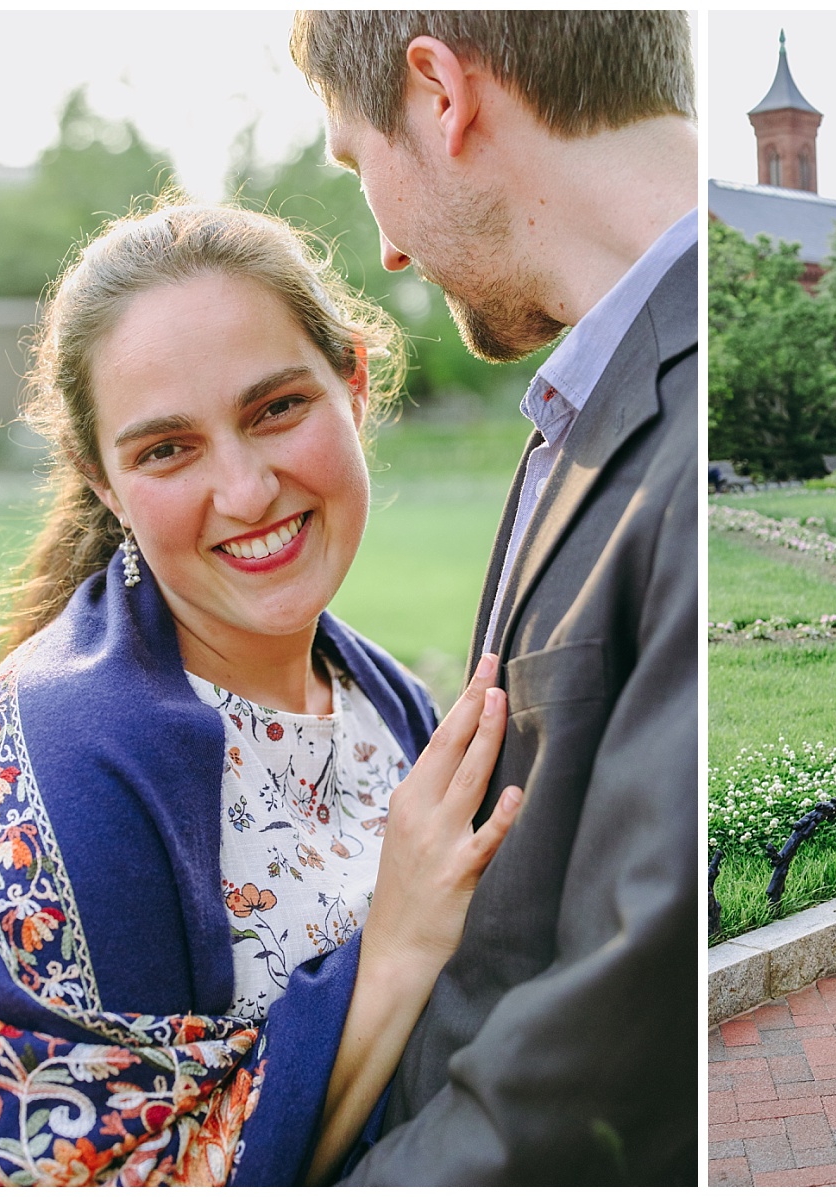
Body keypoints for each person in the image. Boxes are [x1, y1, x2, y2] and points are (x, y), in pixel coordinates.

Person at [0, 202, 529, 1185]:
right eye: (166, 450)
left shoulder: (387, 701)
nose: (244, 492)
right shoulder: (70, 772)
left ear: (353, 386)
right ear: (102, 481)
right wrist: (398, 945)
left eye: (275, 408)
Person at [289, 11, 698, 1184]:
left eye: (354, 162)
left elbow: (631, 1009)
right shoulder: (582, 399)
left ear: (438, 93)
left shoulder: (679, 416)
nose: (392, 253)